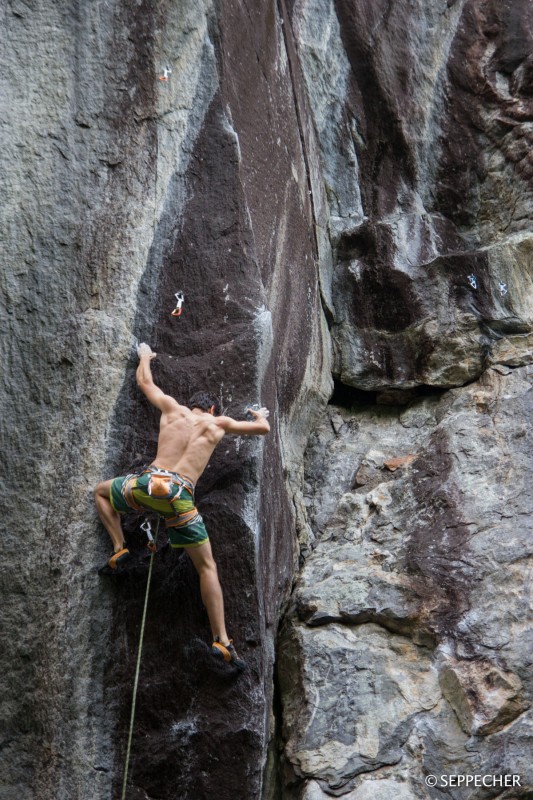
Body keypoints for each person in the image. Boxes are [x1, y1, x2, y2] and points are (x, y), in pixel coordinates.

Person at [94, 343, 270, 670]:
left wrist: (145, 356)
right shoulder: (218, 425)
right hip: (180, 498)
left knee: (101, 493)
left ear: (192, 406)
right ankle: (222, 641)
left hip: (148, 485)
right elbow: (262, 429)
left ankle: (119, 548)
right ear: (214, 410)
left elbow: (145, 383)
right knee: (207, 568)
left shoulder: (173, 410)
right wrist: (258, 415)